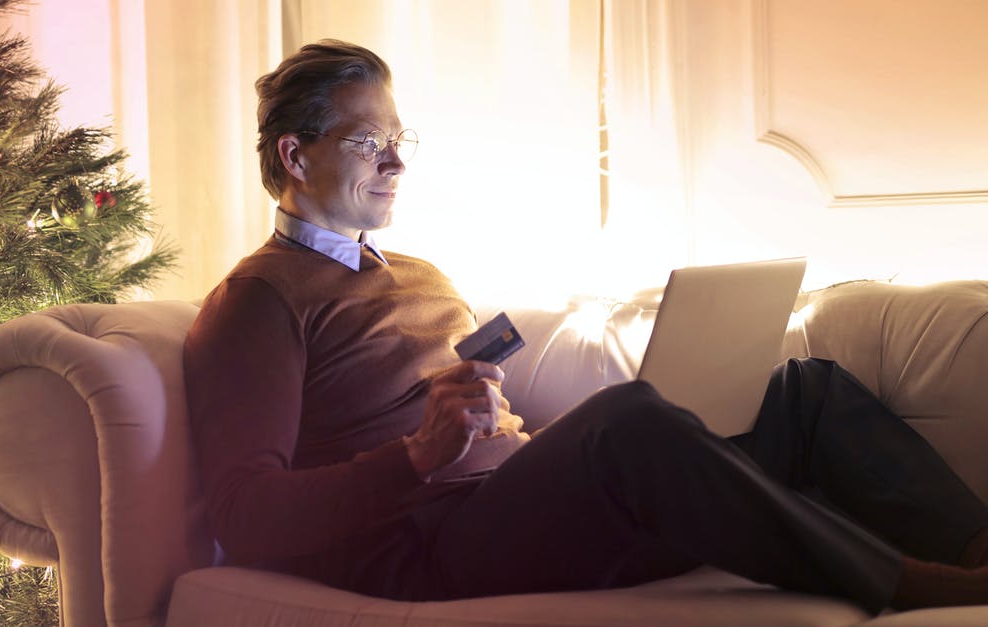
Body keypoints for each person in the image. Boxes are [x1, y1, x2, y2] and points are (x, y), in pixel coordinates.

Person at [183, 39, 988, 613]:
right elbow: (244, 513)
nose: (396, 163)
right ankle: (910, 584)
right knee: (626, 420)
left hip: (515, 507)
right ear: (295, 156)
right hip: (428, 548)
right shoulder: (257, 301)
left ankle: (976, 548)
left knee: (799, 391)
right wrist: (417, 455)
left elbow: (501, 425)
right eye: (369, 142)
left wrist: (538, 449)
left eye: (399, 141)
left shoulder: (420, 273)